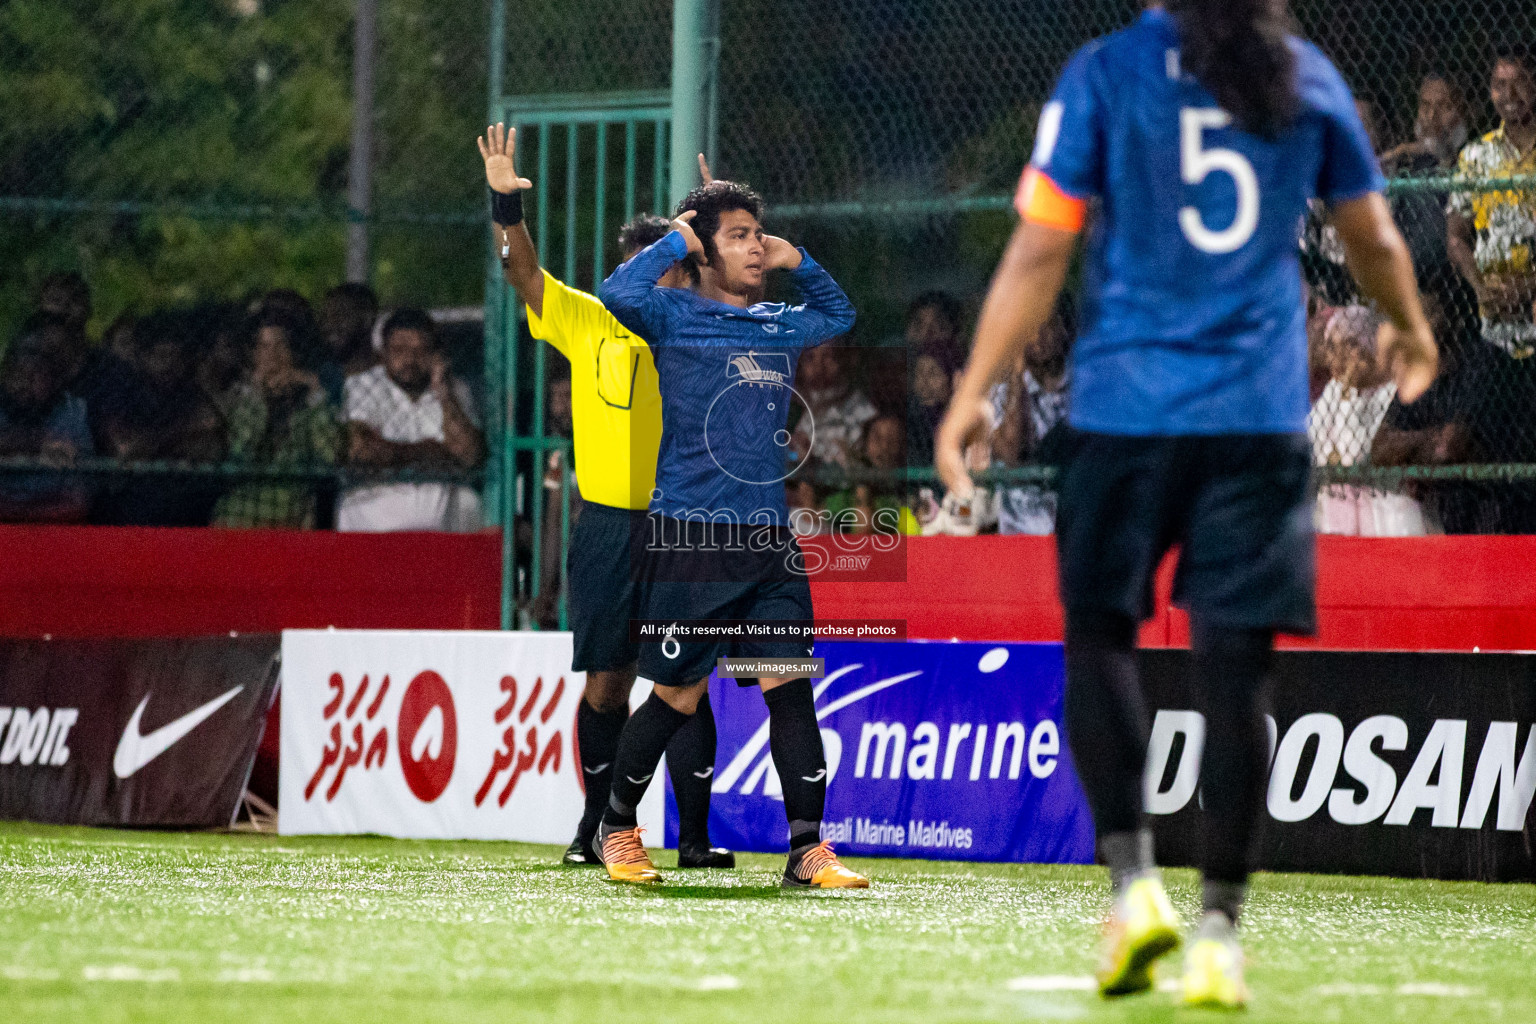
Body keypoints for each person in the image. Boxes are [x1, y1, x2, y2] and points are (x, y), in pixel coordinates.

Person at [936, 0, 1436, 1008]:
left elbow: (1040, 251)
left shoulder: (1107, 71)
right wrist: (1411, 326)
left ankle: (1133, 887)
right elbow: (1373, 234)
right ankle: (1219, 930)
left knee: (1100, 639)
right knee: (1234, 678)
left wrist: (972, 390)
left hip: (1126, 411)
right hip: (1256, 419)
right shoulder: (1308, 77)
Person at [596, 178, 865, 889]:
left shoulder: (779, 322)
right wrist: (676, 240)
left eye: (758, 233)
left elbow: (841, 312)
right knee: (676, 696)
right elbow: (617, 293)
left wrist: (796, 259)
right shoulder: (672, 314)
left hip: (769, 541)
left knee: (791, 688)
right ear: (705, 250)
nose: (753, 246)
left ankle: (808, 851)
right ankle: (617, 829)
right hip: (690, 536)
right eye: (739, 236)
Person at [478, 123, 733, 869]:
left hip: (687, 526)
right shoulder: (593, 322)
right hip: (609, 528)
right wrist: (504, 209)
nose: (634, 284)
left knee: (685, 681)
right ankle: (596, 827)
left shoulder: (708, 328)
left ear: (684, 275)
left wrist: (715, 228)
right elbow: (522, 274)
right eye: (628, 268)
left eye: (654, 267)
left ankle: (694, 839)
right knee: (608, 682)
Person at [1447, 47, 1536, 528]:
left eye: (1519, 82)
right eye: (1499, 85)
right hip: (1493, 325)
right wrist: (1480, 286)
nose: (1508, 95)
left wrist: (1530, 287)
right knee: (1472, 447)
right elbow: (1456, 237)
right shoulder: (1476, 156)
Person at [336, 309, 485, 532]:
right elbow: (362, 449)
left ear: (435, 354)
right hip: (375, 504)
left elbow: (469, 455)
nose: (409, 359)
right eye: (399, 350)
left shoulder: (453, 389)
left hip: (442, 506)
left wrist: (443, 393)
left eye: (420, 351)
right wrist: (436, 451)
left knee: (468, 502)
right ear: (383, 353)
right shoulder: (363, 385)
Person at [212, 311, 341, 529]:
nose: (273, 355)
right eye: (264, 346)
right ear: (253, 354)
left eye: (281, 345)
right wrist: (258, 397)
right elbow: (239, 452)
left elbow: (329, 455)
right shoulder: (238, 397)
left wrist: (315, 392)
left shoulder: (311, 402)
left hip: (293, 519)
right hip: (238, 517)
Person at [0, 330, 93, 524]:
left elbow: (78, 503)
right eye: (16, 375)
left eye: (35, 376)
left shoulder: (74, 412)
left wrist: (23, 521)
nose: (23, 385)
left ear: (55, 380)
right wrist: (38, 443)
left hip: (52, 530)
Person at [317, 283, 380, 405]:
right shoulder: (323, 376)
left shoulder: (393, 375)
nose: (329, 324)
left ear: (367, 319)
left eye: (339, 316)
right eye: (325, 317)